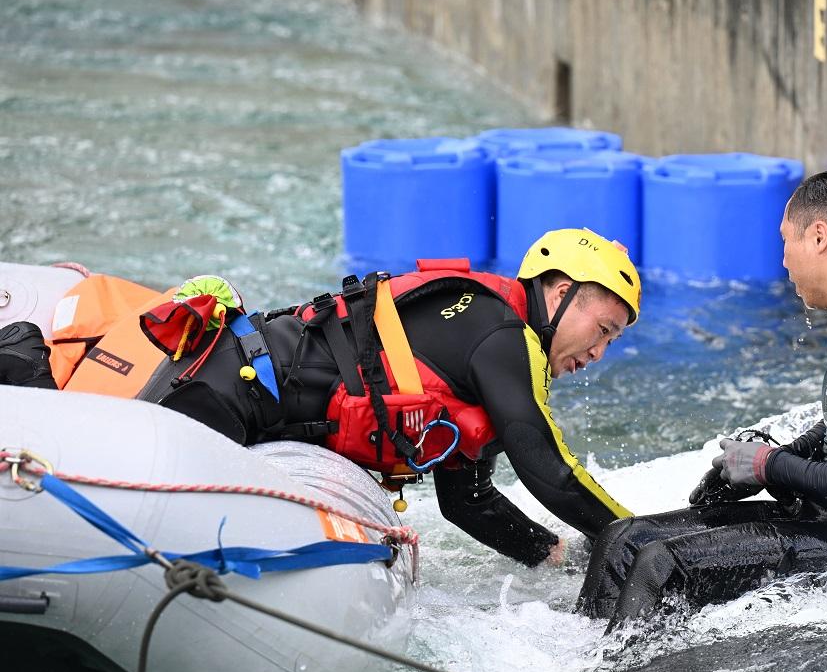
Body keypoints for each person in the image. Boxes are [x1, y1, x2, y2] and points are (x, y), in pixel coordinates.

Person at [0, 228, 642, 569]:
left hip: (247, 403)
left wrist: (559, 556)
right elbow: (549, 469)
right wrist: (637, 537)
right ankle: (22, 355)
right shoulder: (499, 334)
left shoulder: (482, 352)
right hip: (229, 391)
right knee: (97, 473)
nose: (599, 352)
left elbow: (465, 500)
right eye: (603, 329)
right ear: (559, 292)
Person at [576, 170, 827, 627]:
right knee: (623, 539)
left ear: (819, 237)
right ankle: (583, 657)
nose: (783, 260)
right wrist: (776, 459)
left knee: (661, 567)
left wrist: (768, 466)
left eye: (786, 242)